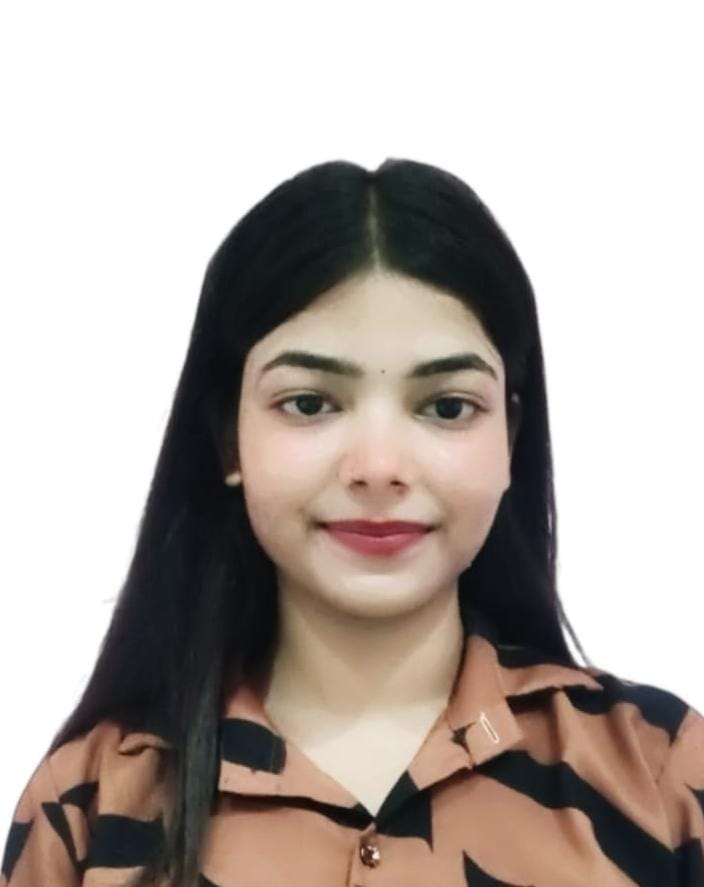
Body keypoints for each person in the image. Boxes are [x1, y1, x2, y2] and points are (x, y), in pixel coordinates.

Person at [2, 159, 702, 887]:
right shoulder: (90, 803)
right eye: (309, 403)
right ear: (229, 439)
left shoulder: (660, 777)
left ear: (510, 439)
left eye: (447, 406)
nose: (378, 466)